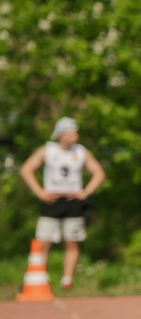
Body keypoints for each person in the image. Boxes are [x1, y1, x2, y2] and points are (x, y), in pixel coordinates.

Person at [19, 117, 107, 290]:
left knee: (72, 241)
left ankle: (67, 279)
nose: (75, 135)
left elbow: (99, 173)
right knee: (43, 242)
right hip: (52, 199)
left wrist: (86, 192)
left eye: (75, 131)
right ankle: (40, 279)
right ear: (60, 134)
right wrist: (39, 192)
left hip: (73, 200)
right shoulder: (47, 150)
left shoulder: (81, 152)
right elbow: (26, 169)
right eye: (70, 132)